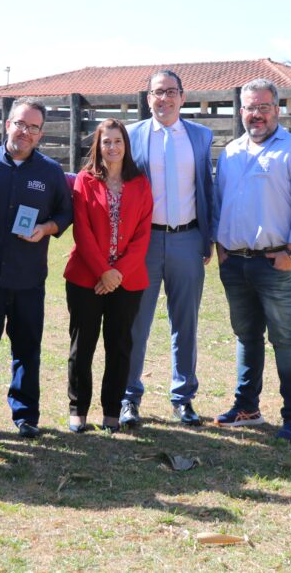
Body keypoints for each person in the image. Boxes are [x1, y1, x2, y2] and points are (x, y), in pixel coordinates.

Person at [212, 78, 291, 443]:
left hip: (277, 262)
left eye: (263, 107)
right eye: (249, 107)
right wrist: (221, 247)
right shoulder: (230, 153)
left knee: (286, 338)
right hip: (235, 262)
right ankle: (247, 407)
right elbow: (220, 202)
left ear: (276, 109)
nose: (256, 114)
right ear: (240, 110)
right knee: (247, 336)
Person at [0, 98, 73, 439]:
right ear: (8, 124)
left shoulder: (50, 172)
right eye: (20, 124)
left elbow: (64, 214)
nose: (25, 132)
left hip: (28, 278)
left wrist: (46, 229)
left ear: (41, 134)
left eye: (33, 127)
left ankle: (25, 415)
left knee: (27, 350)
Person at [120, 70, 215, 428]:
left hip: (188, 239)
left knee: (185, 322)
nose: (165, 99)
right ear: (148, 99)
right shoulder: (132, 136)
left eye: (171, 92)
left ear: (182, 97)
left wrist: (207, 238)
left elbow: (208, 189)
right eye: (158, 93)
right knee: (135, 323)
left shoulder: (201, 137)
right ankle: (129, 397)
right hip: (143, 243)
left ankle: (183, 398)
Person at [64, 119, 153, 433]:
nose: (112, 147)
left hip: (127, 281)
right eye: (106, 142)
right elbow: (82, 231)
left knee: (119, 346)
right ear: (98, 146)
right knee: (82, 344)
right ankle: (78, 410)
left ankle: (112, 411)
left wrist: (117, 273)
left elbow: (143, 235)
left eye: (118, 141)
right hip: (85, 277)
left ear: (126, 145)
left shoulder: (141, 183)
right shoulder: (85, 181)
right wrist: (104, 271)